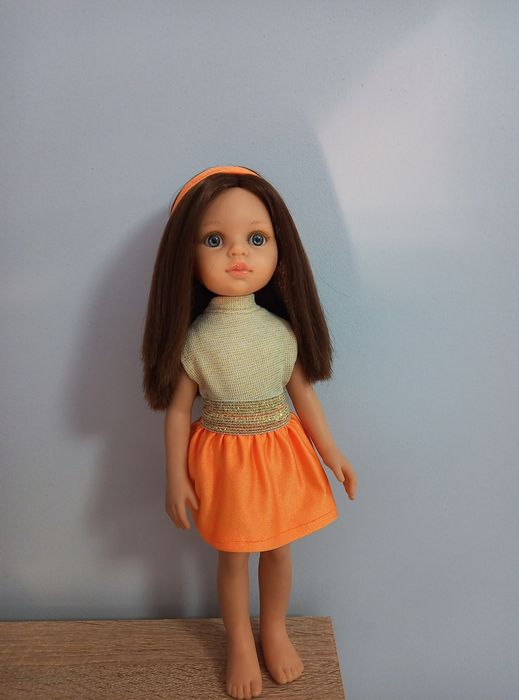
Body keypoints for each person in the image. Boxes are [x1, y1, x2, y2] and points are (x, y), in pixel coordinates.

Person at [141, 165, 357, 699]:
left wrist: (331, 451)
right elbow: (177, 413)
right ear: (187, 256)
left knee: (279, 550)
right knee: (234, 555)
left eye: (256, 239)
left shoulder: (282, 333)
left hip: (280, 453)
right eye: (215, 240)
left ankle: (274, 629)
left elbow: (303, 395)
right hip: (226, 462)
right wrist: (174, 477)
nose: (238, 253)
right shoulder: (195, 341)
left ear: (280, 248)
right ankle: (240, 640)